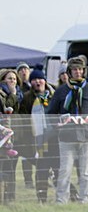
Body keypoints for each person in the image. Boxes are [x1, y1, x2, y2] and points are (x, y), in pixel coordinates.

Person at [46, 57, 88, 204]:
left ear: (83, 71)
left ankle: (85, 199)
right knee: (65, 171)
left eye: (80, 69)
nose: (77, 72)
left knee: (86, 172)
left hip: (87, 137)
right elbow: (50, 113)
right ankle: (61, 200)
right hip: (66, 137)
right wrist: (58, 126)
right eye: (74, 69)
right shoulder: (61, 91)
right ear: (69, 72)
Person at [18, 66, 57, 203]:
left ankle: (65, 196)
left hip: (55, 138)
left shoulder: (54, 94)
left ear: (45, 80)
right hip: (38, 141)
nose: (37, 82)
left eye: (40, 79)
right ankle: (42, 199)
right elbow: (22, 118)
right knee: (41, 169)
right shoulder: (27, 98)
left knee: (58, 168)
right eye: (34, 80)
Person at [0, 69, 20, 203]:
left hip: (14, 136)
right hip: (3, 138)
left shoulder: (18, 93)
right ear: (3, 80)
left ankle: (10, 198)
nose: (12, 81)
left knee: (11, 168)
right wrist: (13, 94)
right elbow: (6, 109)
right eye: (9, 78)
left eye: (14, 79)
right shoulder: (3, 94)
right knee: (5, 167)